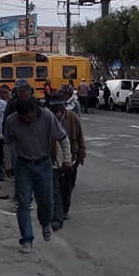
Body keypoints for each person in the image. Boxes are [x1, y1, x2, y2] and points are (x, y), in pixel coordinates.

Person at [4, 97, 71, 253]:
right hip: (23, 165)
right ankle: (26, 239)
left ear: (35, 111)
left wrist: (67, 159)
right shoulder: (11, 121)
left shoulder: (48, 117)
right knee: (23, 203)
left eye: (30, 117)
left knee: (46, 200)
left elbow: (63, 138)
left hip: (43, 164)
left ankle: (46, 223)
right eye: (23, 118)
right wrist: (8, 163)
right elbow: (8, 143)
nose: (27, 121)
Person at [48, 95, 85, 230]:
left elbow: (80, 137)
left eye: (59, 106)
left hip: (70, 159)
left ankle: (64, 209)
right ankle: (56, 216)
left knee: (67, 187)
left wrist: (81, 154)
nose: (57, 109)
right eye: (54, 107)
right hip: (52, 160)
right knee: (55, 189)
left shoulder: (72, 118)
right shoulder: (47, 118)